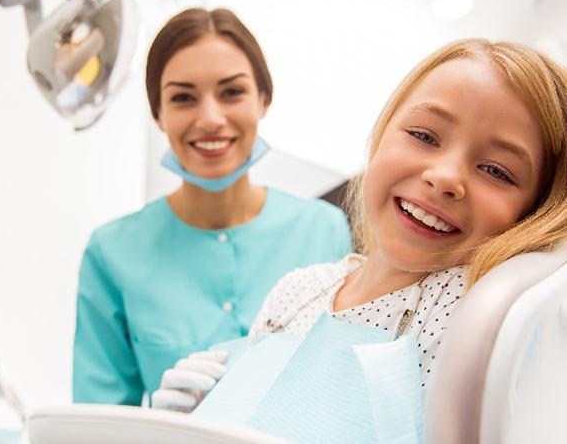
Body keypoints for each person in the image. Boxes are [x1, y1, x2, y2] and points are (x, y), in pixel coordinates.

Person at [152, 38, 567, 411]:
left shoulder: (476, 311)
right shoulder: (298, 290)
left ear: (536, 211)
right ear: (381, 135)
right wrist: (199, 420)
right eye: (424, 136)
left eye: (496, 170)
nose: (444, 177)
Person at [73, 8, 352, 405]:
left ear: (263, 100)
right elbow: (93, 427)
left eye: (231, 92)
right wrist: (159, 426)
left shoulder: (324, 230)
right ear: (159, 115)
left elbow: (346, 390)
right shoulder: (112, 253)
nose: (210, 118)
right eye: (183, 97)